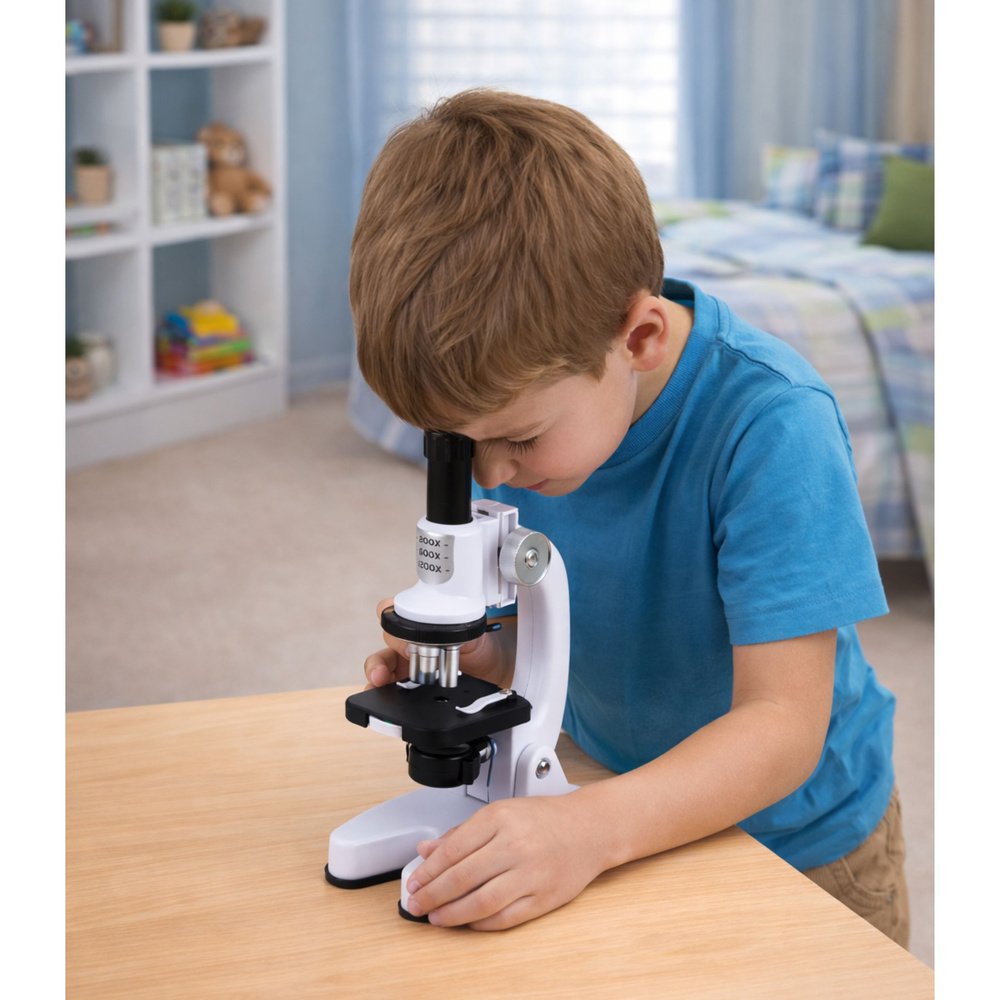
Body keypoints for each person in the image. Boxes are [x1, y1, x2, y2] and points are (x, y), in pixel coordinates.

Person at [351, 89, 909, 945]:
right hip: (616, 793)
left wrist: (587, 831)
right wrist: (488, 657)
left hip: (800, 845)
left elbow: (782, 726)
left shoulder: (772, 426)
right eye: (457, 446)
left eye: (517, 440)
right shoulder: (541, 410)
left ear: (639, 338)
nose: (490, 475)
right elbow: (564, 630)